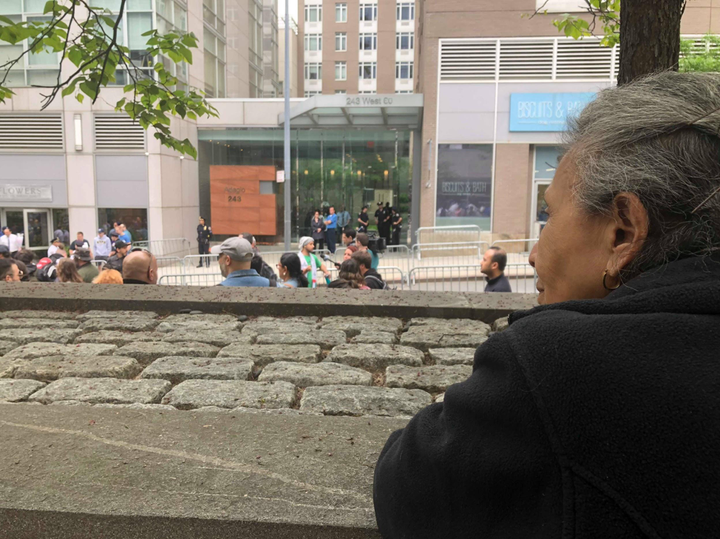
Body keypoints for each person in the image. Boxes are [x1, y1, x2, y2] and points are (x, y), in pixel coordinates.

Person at [374, 72, 720, 538]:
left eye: (550, 214)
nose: (534, 253)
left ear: (622, 232)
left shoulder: (560, 366)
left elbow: (408, 487)